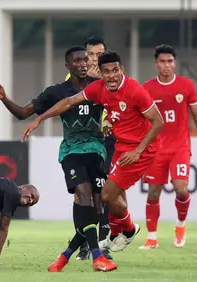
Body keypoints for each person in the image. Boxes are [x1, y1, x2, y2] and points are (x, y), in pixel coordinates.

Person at [21, 51, 164, 270]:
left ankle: (122, 231)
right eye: (106, 71)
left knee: (106, 195)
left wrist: (138, 150)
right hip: (118, 148)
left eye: (115, 70)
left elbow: (158, 121)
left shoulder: (135, 90)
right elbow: (69, 102)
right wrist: (39, 119)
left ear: (121, 70)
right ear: (101, 73)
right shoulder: (98, 89)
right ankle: (118, 232)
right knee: (101, 200)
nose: (111, 76)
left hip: (139, 151)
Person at [0, 45, 114, 272]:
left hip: (97, 150)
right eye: (77, 61)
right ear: (68, 66)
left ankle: (65, 256)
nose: (83, 64)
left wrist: (109, 121)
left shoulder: (99, 86)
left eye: (85, 60)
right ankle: (97, 256)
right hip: (72, 151)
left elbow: (118, 108)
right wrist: (4, 98)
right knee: (83, 194)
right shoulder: (56, 92)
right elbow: (23, 113)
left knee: (97, 207)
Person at [138, 44, 197, 249]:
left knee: (181, 189)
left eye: (170, 61)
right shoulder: (147, 88)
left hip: (180, 146)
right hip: (156, 149)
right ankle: (152, 237)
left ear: (175, 63)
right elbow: (141, 118)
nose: (166, 65)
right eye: (162, 62)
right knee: (154, 192)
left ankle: (180, 226)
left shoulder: (186, 85)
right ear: (156, 64)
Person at [64, 35, 114, 262]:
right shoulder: (74, 79)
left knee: (105, 194)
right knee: (80, 195)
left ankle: (103, 243)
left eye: (99, 55)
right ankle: (84, 244)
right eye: (90, 55)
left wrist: (109, 118)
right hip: (83, 144)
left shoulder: (111, 78)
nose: (94, 60)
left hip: (108, 142)